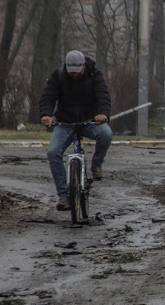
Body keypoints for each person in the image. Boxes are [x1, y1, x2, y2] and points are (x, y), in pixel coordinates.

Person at [40, 50, 112, 211]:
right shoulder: (58, 76)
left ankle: (96, 165)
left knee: (106, 134)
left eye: (77, 71)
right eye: (71, 71)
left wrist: (103, 114)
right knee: (53, 152)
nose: (73, 74)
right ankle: (63, 195)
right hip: (65, 122)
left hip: (89, 121)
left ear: (83, 66)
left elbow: (103, 96)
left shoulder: (95, 75)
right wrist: (46, 114)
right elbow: (48, 96)